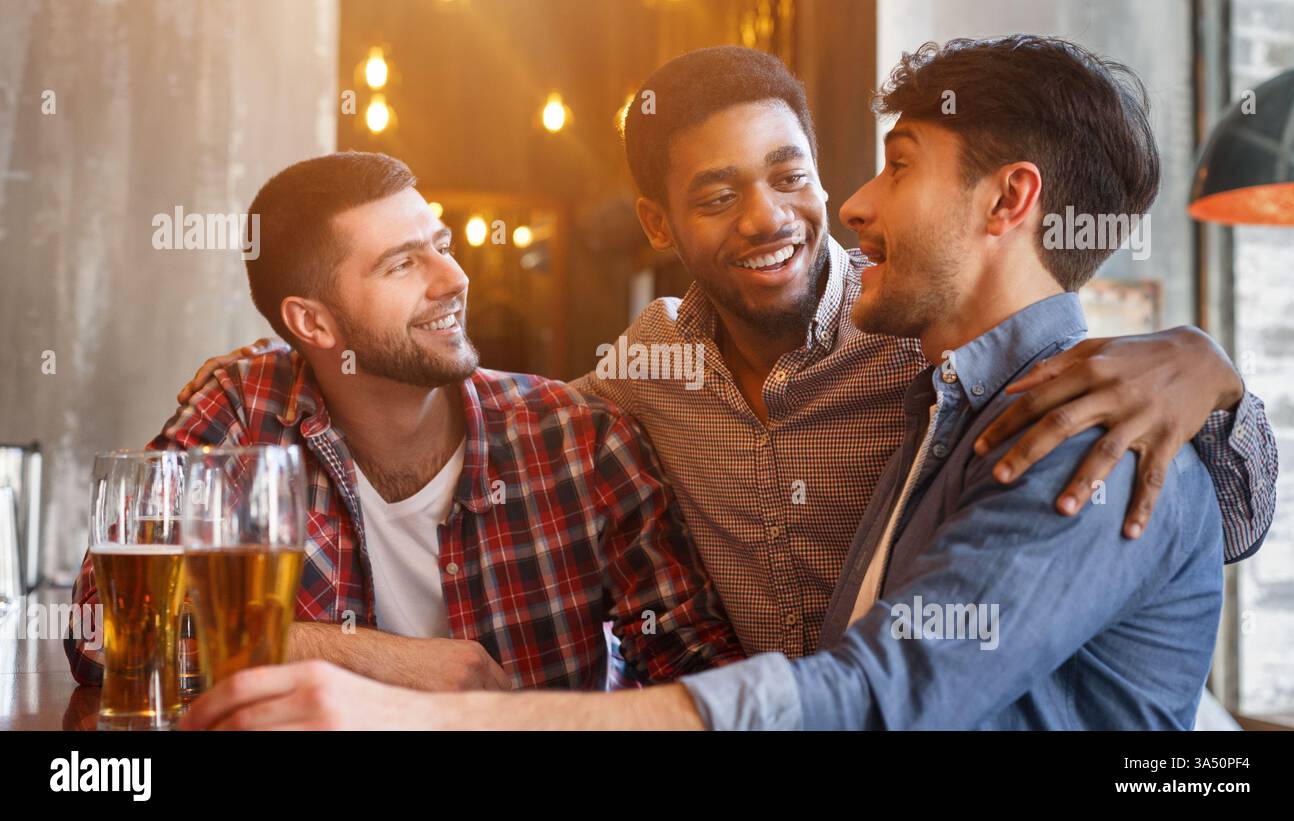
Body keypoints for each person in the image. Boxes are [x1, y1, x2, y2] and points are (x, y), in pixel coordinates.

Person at [184, 35, 1227, 730]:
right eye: (718, 195)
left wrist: (1212, 382)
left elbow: (880, 693)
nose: (811, 211)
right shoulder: (655, 378)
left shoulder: (1001, 385)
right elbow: (525, 419)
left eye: (797, 175)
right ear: (659, 224)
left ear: (1008, 201)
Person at [68, 152, 744, 692]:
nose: (453, 278)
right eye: (402, 264)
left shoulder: (579, 440)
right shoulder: (249, 408)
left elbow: (700, 675)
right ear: (313, 323)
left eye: (441, 245)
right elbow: (103, 628)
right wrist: (370, 657)